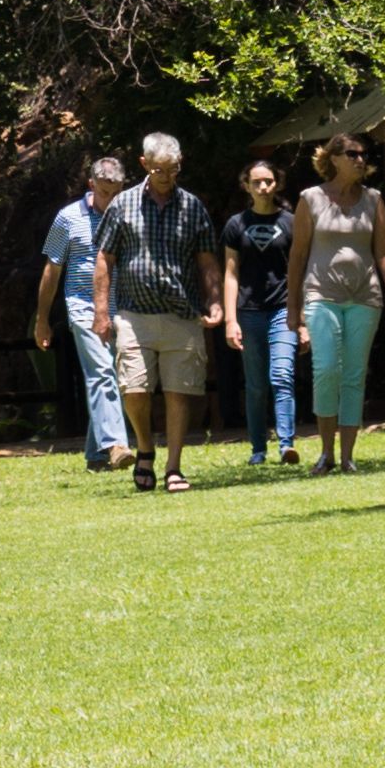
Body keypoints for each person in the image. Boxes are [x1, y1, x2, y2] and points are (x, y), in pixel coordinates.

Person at [97, 132, 222, 496]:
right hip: (134, 314)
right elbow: (105, 258)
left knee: (178, 392)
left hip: (181, 314)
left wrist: (215, 300)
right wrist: (101, 311)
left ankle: (173, 467)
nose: (167, 176)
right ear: (144, 165)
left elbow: (207, 260)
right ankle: (145, 448)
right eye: (159, 170)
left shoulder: (192, 207)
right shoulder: (122, 205)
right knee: (134, 389)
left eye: (173, 169)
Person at [288, 133, 385, 472]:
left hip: (365, 296)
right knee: (327, 369)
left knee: (354, 374)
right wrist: (293, 307)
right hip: (321, 294)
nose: (360, 159)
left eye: (363, 154)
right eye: (352, 154)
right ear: (333, 158)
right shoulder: (311, 199)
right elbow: (298, 255)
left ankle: (347, 456)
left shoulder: (373, 200)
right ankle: (326, 453)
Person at [34, 149, 131, 473]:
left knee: (119, 379)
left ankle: (96, 456)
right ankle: (116, 445)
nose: (110, 199)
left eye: (116, 193)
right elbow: (52, 269)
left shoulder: (128, 215)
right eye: (104, 192)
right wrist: (42, 319)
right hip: (83, 308)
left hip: (122, 308)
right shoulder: (68, 217)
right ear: (91, 185)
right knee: (102, 373)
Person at [222, 159, 302, 474]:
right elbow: (230, 274)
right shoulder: (236, 225)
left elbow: (299, 273)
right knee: (256, 385)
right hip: (248, 312)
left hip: (283, 310)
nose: (263, 187)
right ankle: (258, 448)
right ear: (247, 186)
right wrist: (231, 320)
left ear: (276, 183)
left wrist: (302, 319)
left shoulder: (292, 222)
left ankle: (286, 444)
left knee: (281, 375)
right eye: (256, 182)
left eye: (268, 181)